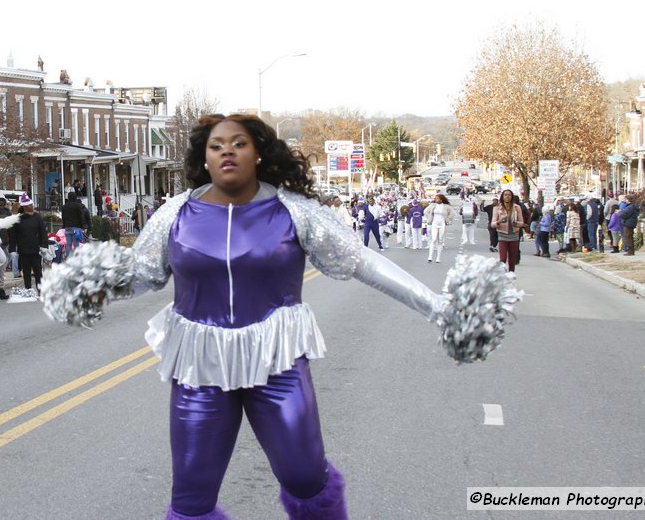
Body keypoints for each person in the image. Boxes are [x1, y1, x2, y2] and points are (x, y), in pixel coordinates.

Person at [42, 114, 519, 519]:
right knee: (190, 495)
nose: (227, 152)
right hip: (201, 367)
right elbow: (142, 274)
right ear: (203, 159)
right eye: (216, 146)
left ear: (258, 154)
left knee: (306, 476)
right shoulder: (175, 214)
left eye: (239, 143)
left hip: (277, 362)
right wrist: (89, 285)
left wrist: (436, 306)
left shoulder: (295, 212)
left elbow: (364, 263)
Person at [12, 193, 48, 295]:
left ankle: (41, 290)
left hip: (35, 249)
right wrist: (12, 249)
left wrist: (44, 245)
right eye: (30, 205)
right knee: (26, 272)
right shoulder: (18, 219)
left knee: (38, 271)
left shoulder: (37, 217)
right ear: (24, 207)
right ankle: (28, 289)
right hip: (23, 249)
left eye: (32, 205)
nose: (32, 207)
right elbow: (13, 235)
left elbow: (43, 232)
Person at [492, 189, 525, 272]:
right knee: (503, 258)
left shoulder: (517, 208)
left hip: (514, 235)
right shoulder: (497, 208)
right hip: (502, 235)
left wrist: (516, 223)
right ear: (502, 197)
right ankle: (502, 275)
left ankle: (511, 275)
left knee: (512, 260)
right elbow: (492, 224)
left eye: (509, 195)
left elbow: (522, 222)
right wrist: (499, 222)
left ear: (512, 197)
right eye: (505, 195)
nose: (507, 196)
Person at [424, 193, 454, 263]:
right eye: (435, 198)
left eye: (437, 198)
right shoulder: (433, 205)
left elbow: (453, 213)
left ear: (441, 199)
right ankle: (430, 256)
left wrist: (448, 220)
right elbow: (425, 211)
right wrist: (429, 219)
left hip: (442, 223)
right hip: (434, 223)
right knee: (433, 239)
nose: (436, 199)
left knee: (440, 240)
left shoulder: (446, 206)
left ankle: (438, 257)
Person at [61, 193, 88, 257]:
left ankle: (69, 259)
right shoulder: (77, 206)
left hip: (67, 227)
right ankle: (76, 259)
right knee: (76, 244)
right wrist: (82, 226)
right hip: (76, 227)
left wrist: (64, 226)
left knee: (68, 244)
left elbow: (63, 217)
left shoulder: (64, 206)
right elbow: (80, 217)